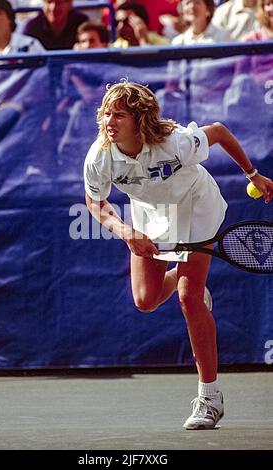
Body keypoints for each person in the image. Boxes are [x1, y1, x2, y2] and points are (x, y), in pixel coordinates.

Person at [83, 80, 273, 430]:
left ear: (139, 119)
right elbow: (94, 201)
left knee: (188, 299)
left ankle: (210, 397)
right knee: (146, 300)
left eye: (120, 115)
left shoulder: (174, 142)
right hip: (150, 214)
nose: (110, 121)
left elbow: (217, 132)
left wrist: (253, 173)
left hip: (195, 205)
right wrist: (127, 233)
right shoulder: (100, 156)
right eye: (107, 113)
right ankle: (189, 285)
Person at [22, 0, 88, 50]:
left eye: (58, 2)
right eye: (49, 2)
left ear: (69, 4)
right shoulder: (32, 27)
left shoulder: (81, 23)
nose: (53, 8)